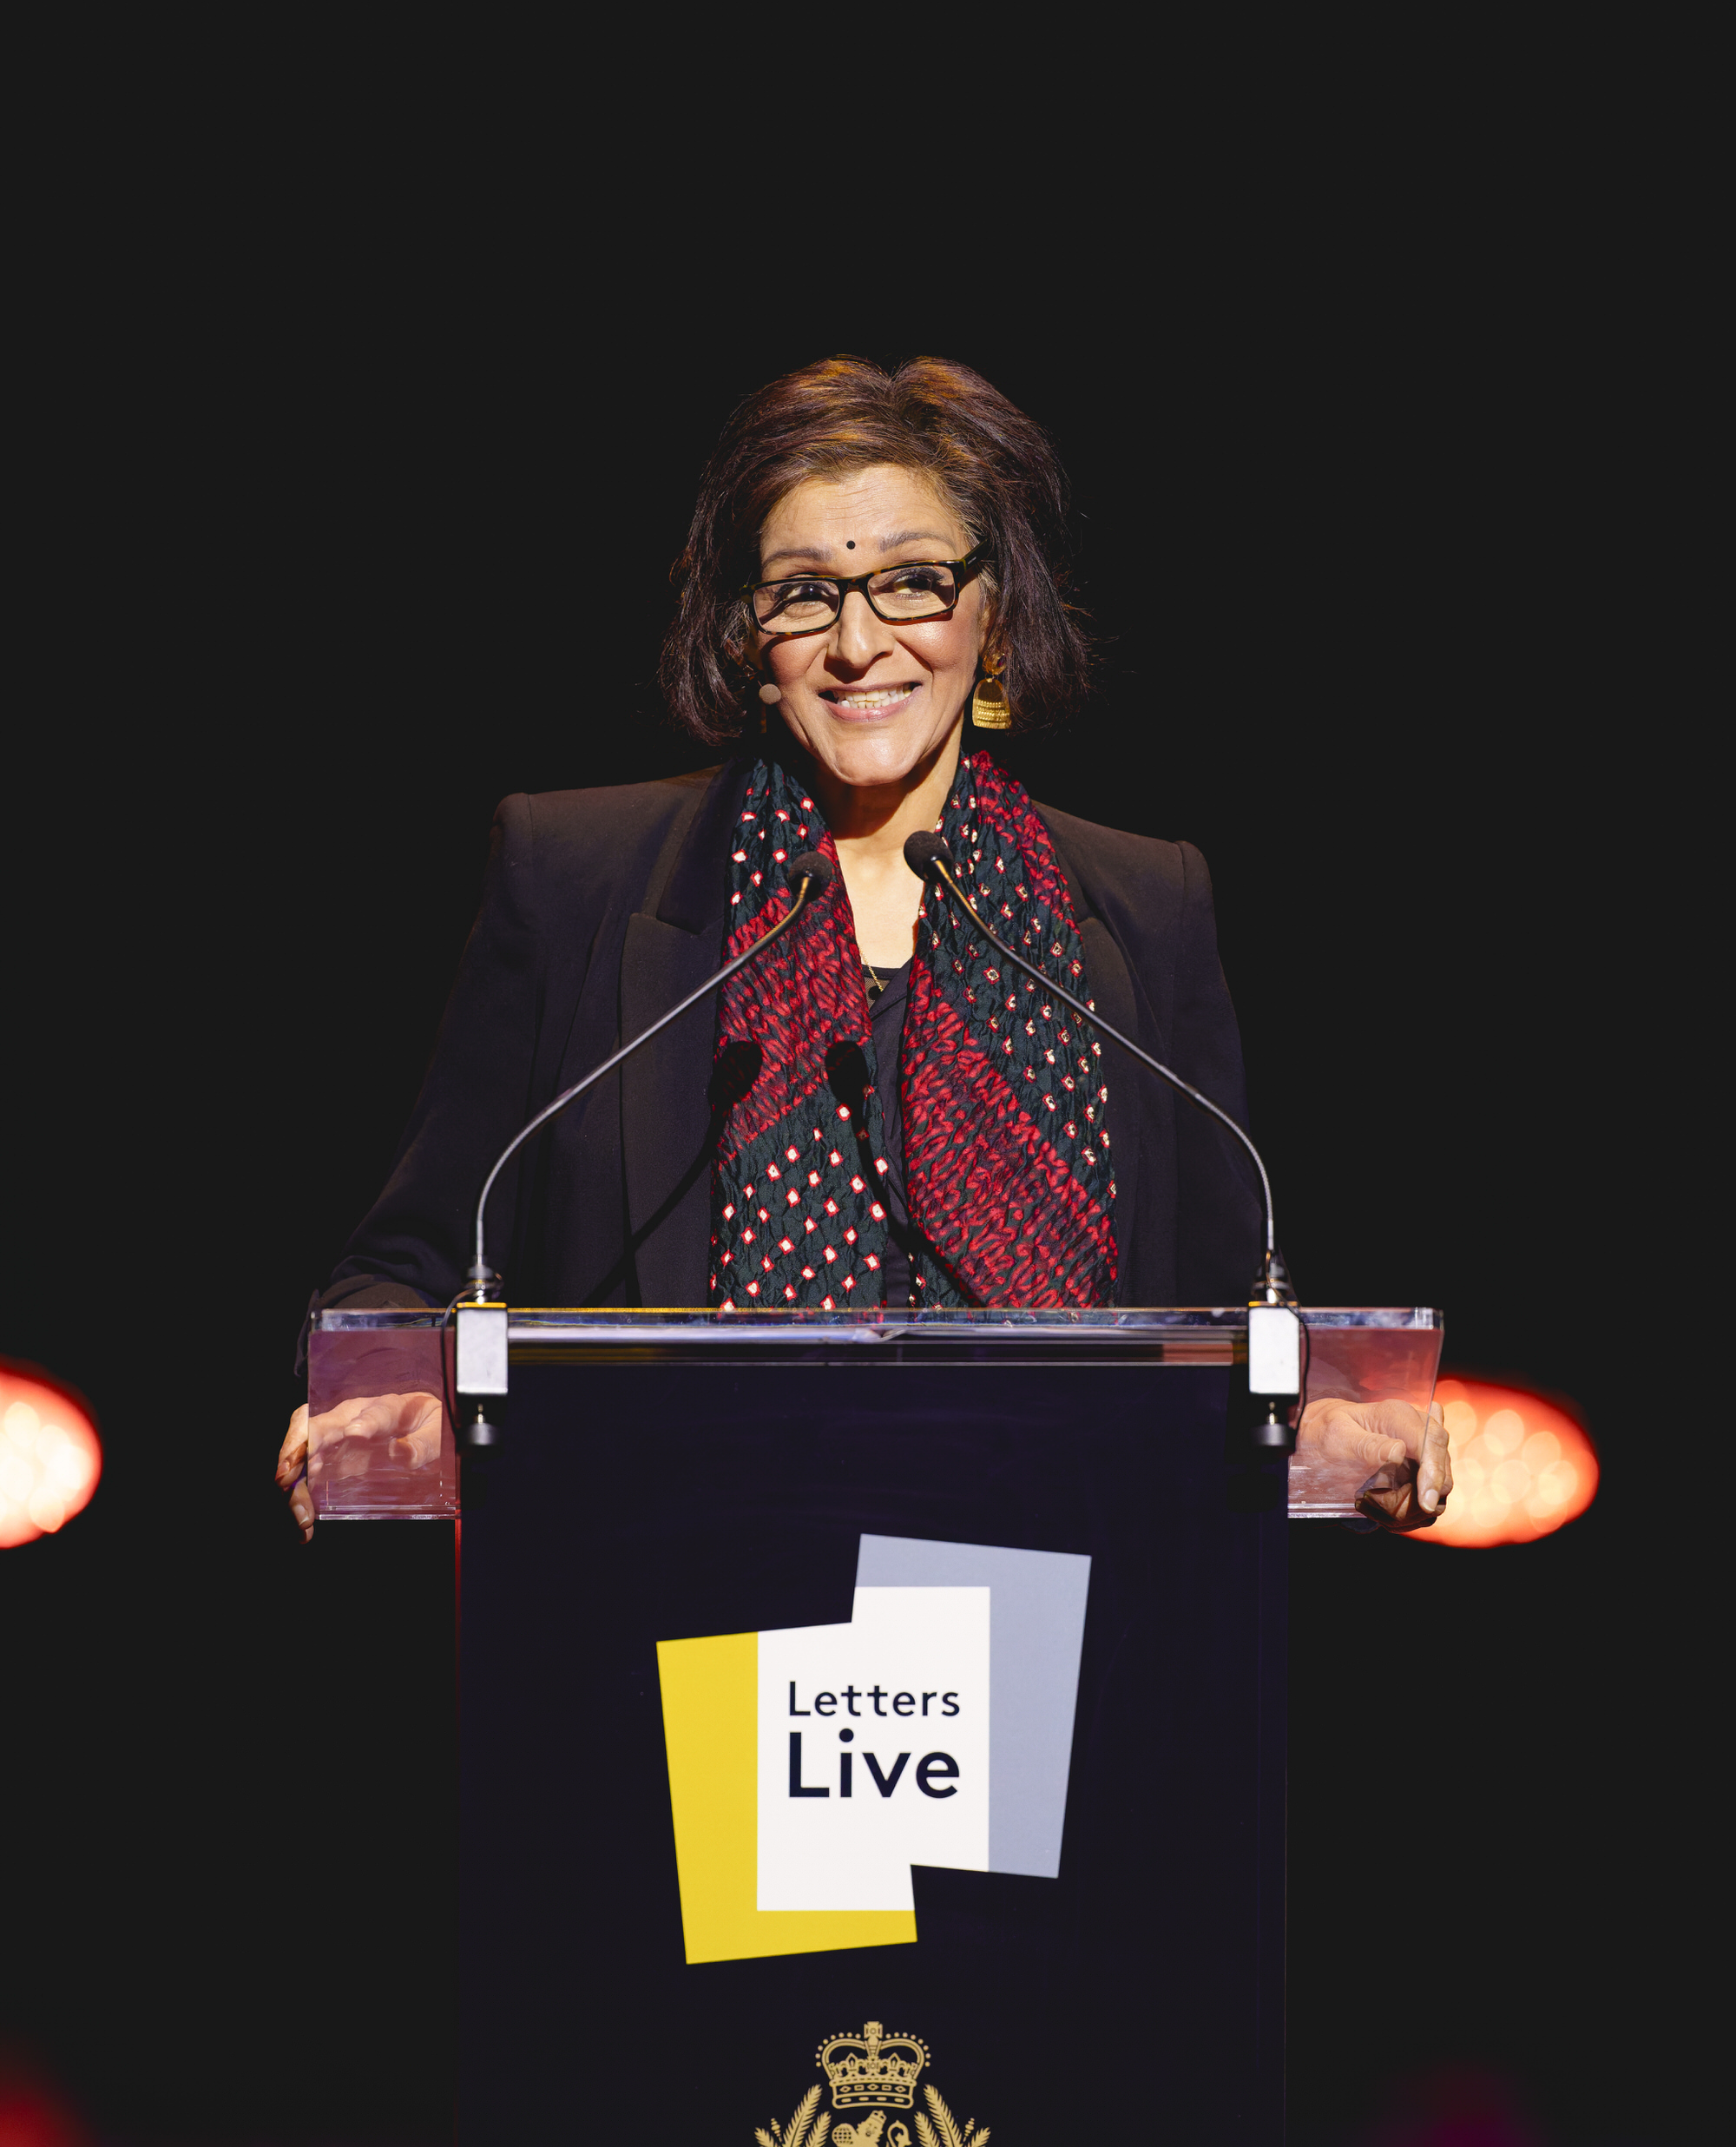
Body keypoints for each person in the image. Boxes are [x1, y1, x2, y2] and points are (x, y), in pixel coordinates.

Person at [276, 357, 1450, 1532]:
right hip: (682, 1568)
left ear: (995, 610)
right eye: (803, 593)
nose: (856, 643)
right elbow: (414, 1260)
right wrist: (383, 1390)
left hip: (1052, 1574)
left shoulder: (1147, 904)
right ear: (748, 633)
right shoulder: (575, 876)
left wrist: (1325, 1412)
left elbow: (1233, 1304)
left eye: (913, 583)